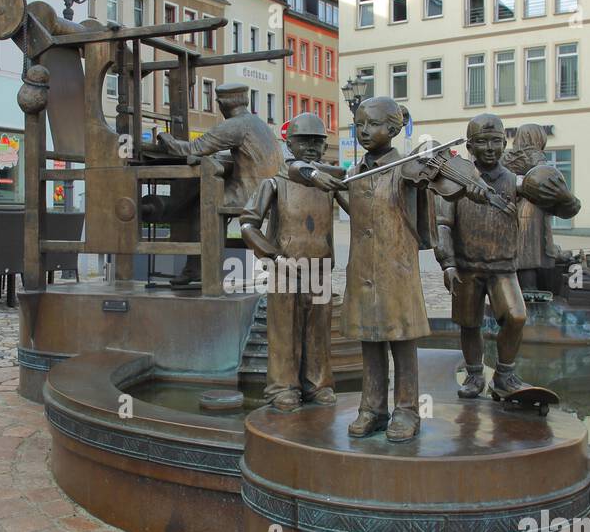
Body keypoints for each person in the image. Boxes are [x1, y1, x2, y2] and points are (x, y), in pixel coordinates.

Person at [341, 96, 490, 442]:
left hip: (396, 268)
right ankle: (372, 408)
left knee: (401, 340)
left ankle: (406, 409)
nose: (364, 131)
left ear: (393, 129)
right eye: (359, 124)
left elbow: (439, 193)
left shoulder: (409, 170)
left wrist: (439, 170)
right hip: (362, 268)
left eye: (373, 124)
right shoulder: (355, 173)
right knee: (369, 338)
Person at [238, 113, 343, 412]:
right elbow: (248, 224)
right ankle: (282, 386)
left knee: (319, 332)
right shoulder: (274, 184)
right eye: (303, 141)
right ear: (289, 143)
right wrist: (273, 256)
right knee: (284, 332)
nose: (311, 147)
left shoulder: (328, 184)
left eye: (317, 142)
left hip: (320, 269)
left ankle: (318, 383)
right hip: (284, 270)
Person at [149, 83, 286, 286]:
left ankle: (198, 269)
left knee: (204, 207)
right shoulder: (256, 123)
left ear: (222, 104)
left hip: (252, 193)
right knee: (206, 200)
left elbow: (194, 148)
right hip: (270, 189)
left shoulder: (235, 124)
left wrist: (166, 138)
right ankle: (197, 267)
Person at [433, 114, 530, 399]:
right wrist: (447, 262)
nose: (490, 148)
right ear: (470, 147)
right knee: (469, 323)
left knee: (516, 316)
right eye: (482, 142)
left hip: (503, 267)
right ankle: (475, 374)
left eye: (496, 141)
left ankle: (505, 372)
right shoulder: (455, 181)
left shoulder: (515, 181)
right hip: (465, 265)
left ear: (505, 143)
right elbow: (442, 224)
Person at [500, 123, 581, 293]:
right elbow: (549, 187)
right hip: (532, 218)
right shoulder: (537, 159)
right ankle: (531, 293)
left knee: (521, 260)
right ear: (539, 138)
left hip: (507, 221)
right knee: (530, 256)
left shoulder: (504, 162)